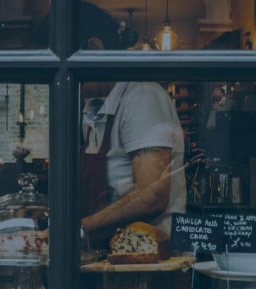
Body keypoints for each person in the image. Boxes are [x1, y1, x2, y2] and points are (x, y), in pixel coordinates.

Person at [80, 81, 186, 242]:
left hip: (150, 255)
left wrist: (80, 228)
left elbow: (152, 197)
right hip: (107, 250)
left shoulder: (142, 96)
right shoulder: (95, 105)